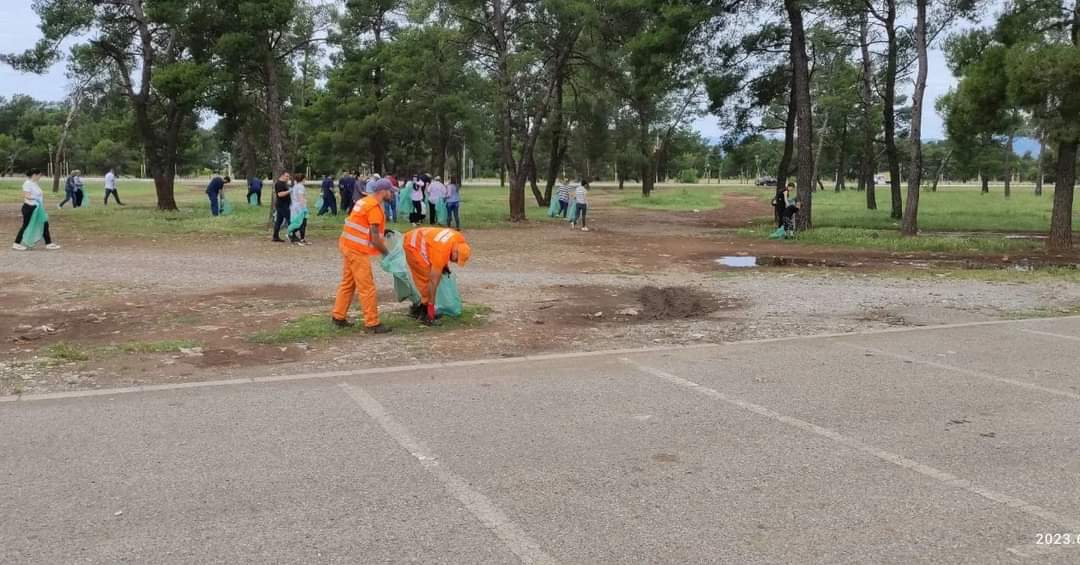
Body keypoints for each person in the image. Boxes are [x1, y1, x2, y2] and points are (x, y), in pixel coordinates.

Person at [331, 178, 395, 333]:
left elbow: (363, 224)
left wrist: (382, 231)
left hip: (347, 245)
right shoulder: (374, 207)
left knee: (348, 283)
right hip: (357, 250)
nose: (392, 194)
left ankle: (338, 316)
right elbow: (374, 239)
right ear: (383, 191)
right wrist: (387, 253)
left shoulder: (364, 201)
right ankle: (372, 324)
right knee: (367, 287)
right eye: (391, 191)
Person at [403, 226, 471, 324]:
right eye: (456, 259)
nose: (455, 262)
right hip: (413, 245)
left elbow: (440, 246)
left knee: (431, 277)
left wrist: (444, 265)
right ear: (455, 252)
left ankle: (421, 308)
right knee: (426, 279)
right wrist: (432, 308)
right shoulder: (441, 252)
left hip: (419, 235)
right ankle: (427, 314)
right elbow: (433, 282)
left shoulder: (458, 238)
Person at [13, 169, 60, 251]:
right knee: (26, 225)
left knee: (44, 223)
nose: (40, 177)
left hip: (37, 208)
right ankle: (16, 244)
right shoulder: (27, 183)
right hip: (30, 208)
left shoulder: (34, 183)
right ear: (34, 175)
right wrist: (36, 198)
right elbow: (27, 196)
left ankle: (49, 243)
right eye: (39, 175)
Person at [288, 173, 309, 244]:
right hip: (300, 207)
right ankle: (292, 234)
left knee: (298, 222)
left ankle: (296, 236)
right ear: (303, 179)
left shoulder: (295, 186)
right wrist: (304, 208)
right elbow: (301, 197)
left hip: (295, 206)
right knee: (302, 223)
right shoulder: (300, 187)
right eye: (305, 178)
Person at [272, 171, 292, 242]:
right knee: (290, 220)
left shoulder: (284, 183)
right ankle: (292, 236)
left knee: (279, 221)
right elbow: (280, 194)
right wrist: (289, 191)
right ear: (282, 175)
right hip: (282, 205)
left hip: (284, 204)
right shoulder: (279, 184)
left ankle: (275, 237)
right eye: (286, 176)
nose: (288, 178)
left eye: (288, 176)